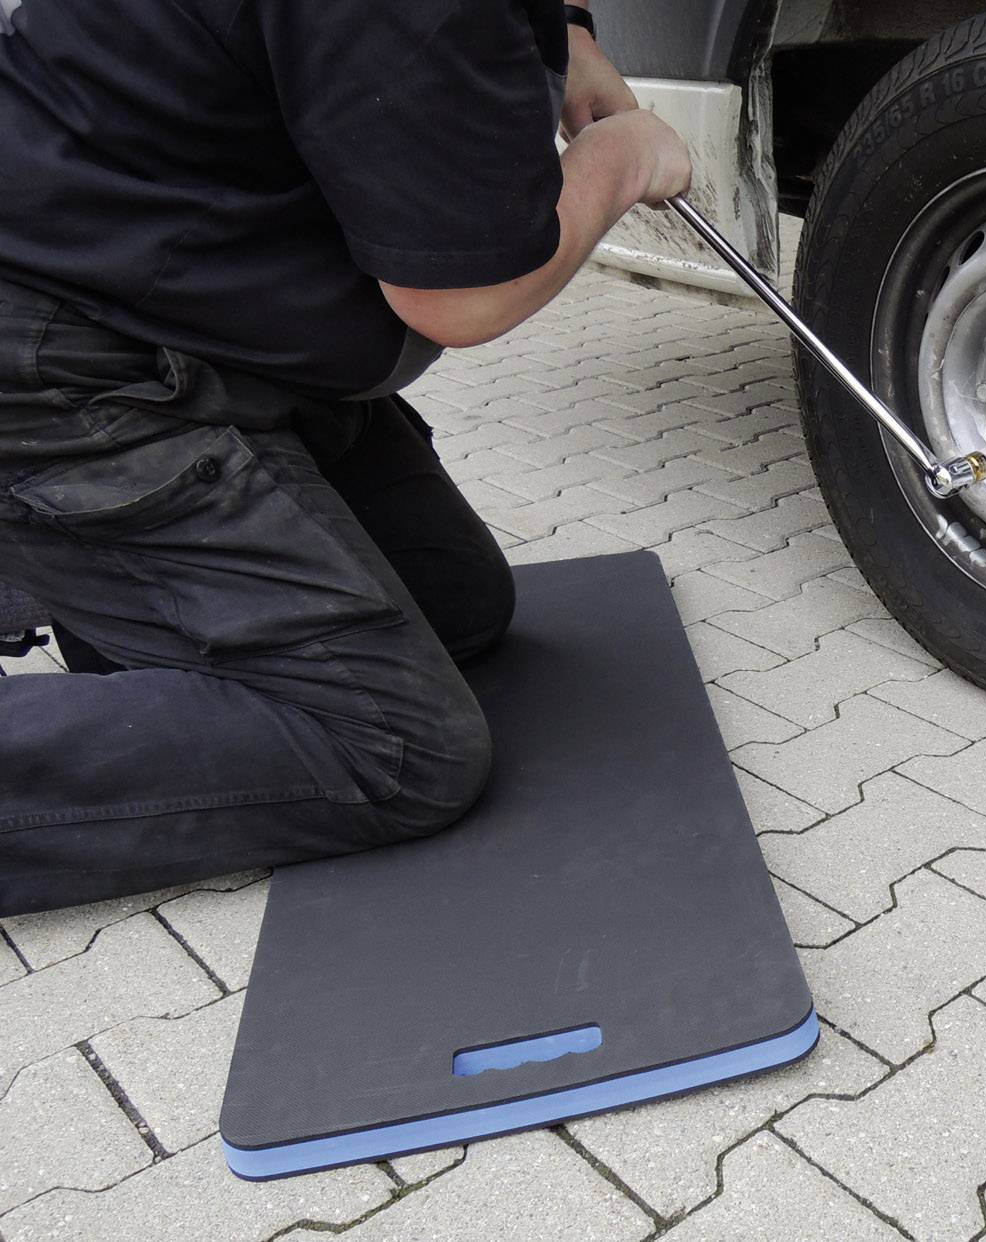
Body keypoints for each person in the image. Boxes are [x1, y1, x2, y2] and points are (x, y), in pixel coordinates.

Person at [0, 0, 692, 915]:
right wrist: (625, 159)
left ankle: (111, 586)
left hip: (201, 326)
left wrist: (562, 33)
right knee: (394, 748)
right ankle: (75, 547)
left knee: (459, 602)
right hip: (67, 368)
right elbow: (461, 298)